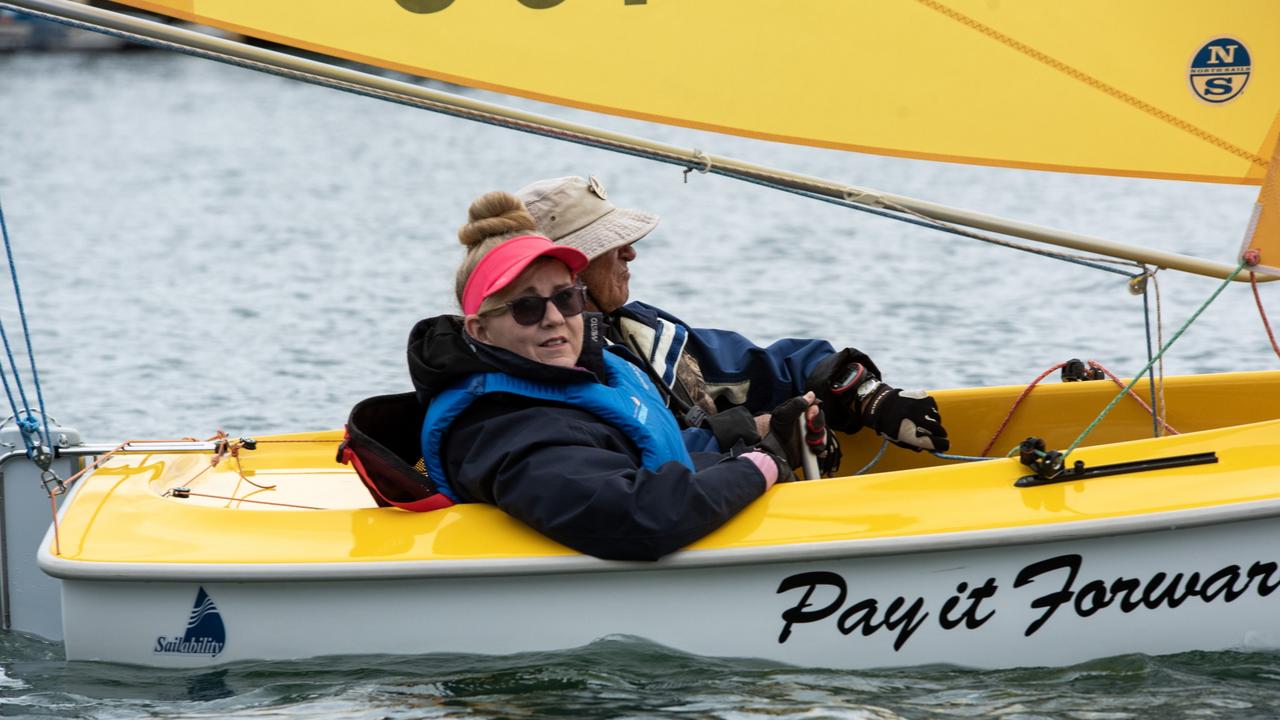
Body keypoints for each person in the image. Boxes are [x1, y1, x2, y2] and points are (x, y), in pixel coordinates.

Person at [408, 191, 815, 561]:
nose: (553, 319)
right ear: (479, 331)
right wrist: (758, 468)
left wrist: (749, 451)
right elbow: (640, 516)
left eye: (566, 298)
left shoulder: (565, 388)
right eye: (526, 308)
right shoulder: (503, 428)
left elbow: (639, 465)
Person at [515, 175, 950, 455]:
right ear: (565, 266)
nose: (630, 251)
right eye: (610, 244)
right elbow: (623, 460)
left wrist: (861, 390)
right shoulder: (540, 361)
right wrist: (759, 435)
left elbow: (758, 369)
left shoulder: (635, 329)